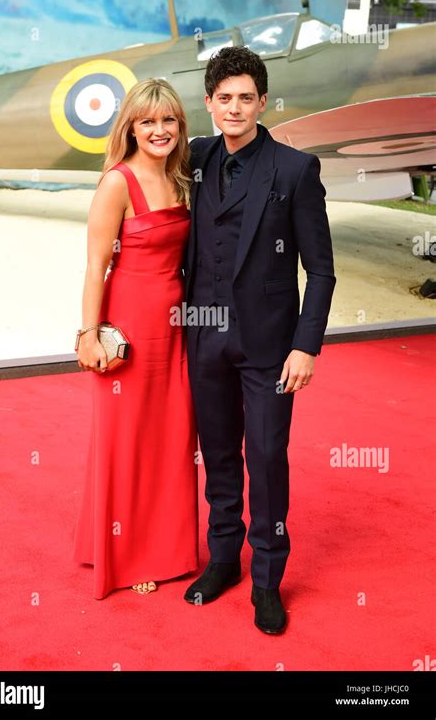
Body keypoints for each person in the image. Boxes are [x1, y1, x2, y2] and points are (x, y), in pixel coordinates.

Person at [183, 47, 336, 633]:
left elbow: (320, 270)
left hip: (271, 347)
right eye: (225, 98)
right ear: (210, 104)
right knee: (218, 455)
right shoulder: (195, 160)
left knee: (267, 459)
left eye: (247, 97)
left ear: (263, 102)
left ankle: (268, 581)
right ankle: (223, 559)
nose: (236, 107)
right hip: (203, 338)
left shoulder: (296, 170)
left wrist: (307, 346)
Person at [72, 78, 199, 598]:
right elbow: (95, 266)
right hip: (129, 327)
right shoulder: (117, 183)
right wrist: (88, 335)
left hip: (177, 327)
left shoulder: (185, 177)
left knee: (172, 439)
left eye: (168, 120)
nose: (159, 129)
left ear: (180, 126)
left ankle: (162, 548)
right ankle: (127, 555)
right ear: (130, 127)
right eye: (147, 121)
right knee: (126, 442)